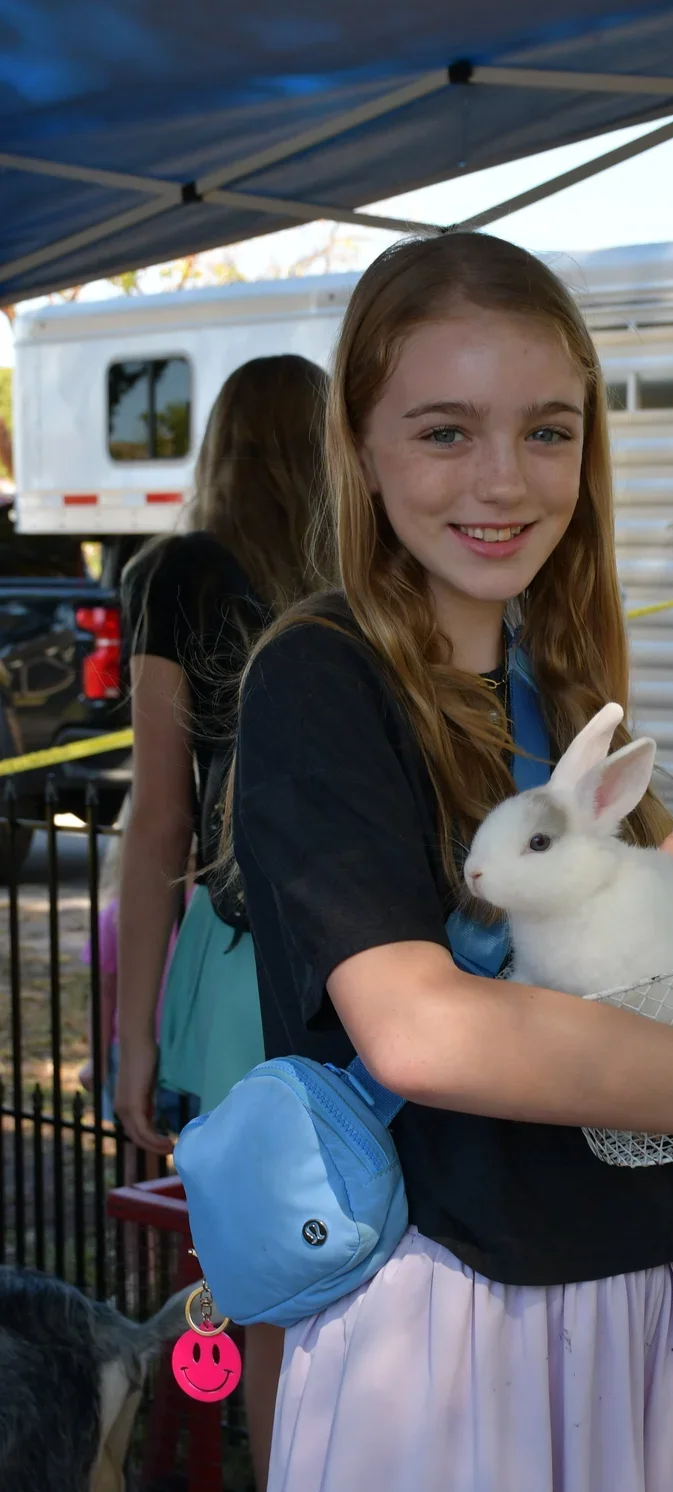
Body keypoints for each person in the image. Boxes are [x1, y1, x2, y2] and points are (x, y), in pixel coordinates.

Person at [228, 233, 673, 1492]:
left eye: (547, 431)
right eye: (445, 431)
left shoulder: (558, 683)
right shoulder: (320, 676)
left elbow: (656, 966)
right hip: (449, 1313)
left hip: (622, 1290)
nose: (503, 479)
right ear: (359, 444)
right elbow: (423, 1033)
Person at [115, 354, 335, 1491]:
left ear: (221, 446)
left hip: (243, 962)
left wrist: (133, 1039)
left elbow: (159, 817)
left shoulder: (181, 572)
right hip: (382, 941)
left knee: (268, 1288)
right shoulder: (379, 567)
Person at [77, 791, 194, 1135]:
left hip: (158, 1054)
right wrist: (99, 1059)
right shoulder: (210, 914)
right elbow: (104, 992)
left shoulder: (118, 916)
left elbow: (104, 993)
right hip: (168, 1054)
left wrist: (97, 1059)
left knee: (140, 1152)